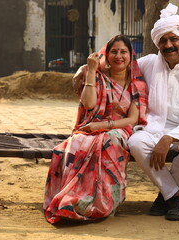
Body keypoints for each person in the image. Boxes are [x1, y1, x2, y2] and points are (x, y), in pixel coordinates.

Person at [43, 35, 148, 224]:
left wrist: (102, 126)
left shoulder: (136, 84)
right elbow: (89, 104)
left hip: (119, 129)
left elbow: (132, 119)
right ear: (106, 55)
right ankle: (75, 200)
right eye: (113, 51)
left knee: (108, 141)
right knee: (77, 143)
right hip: (92, 126)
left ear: (130, 56)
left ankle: (104, 202)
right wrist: (90, 72)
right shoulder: (99, 77)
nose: (119, 56)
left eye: (123, 52)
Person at [127, 3, 179, 221]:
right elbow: (118, 65)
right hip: (154, 127)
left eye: (173, 39)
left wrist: (168, 138)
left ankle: (166, 195)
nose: (168, 45)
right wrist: (87, 69)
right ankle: (176, 196)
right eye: (163, 40)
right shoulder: (148, 63)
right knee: (136, 143)